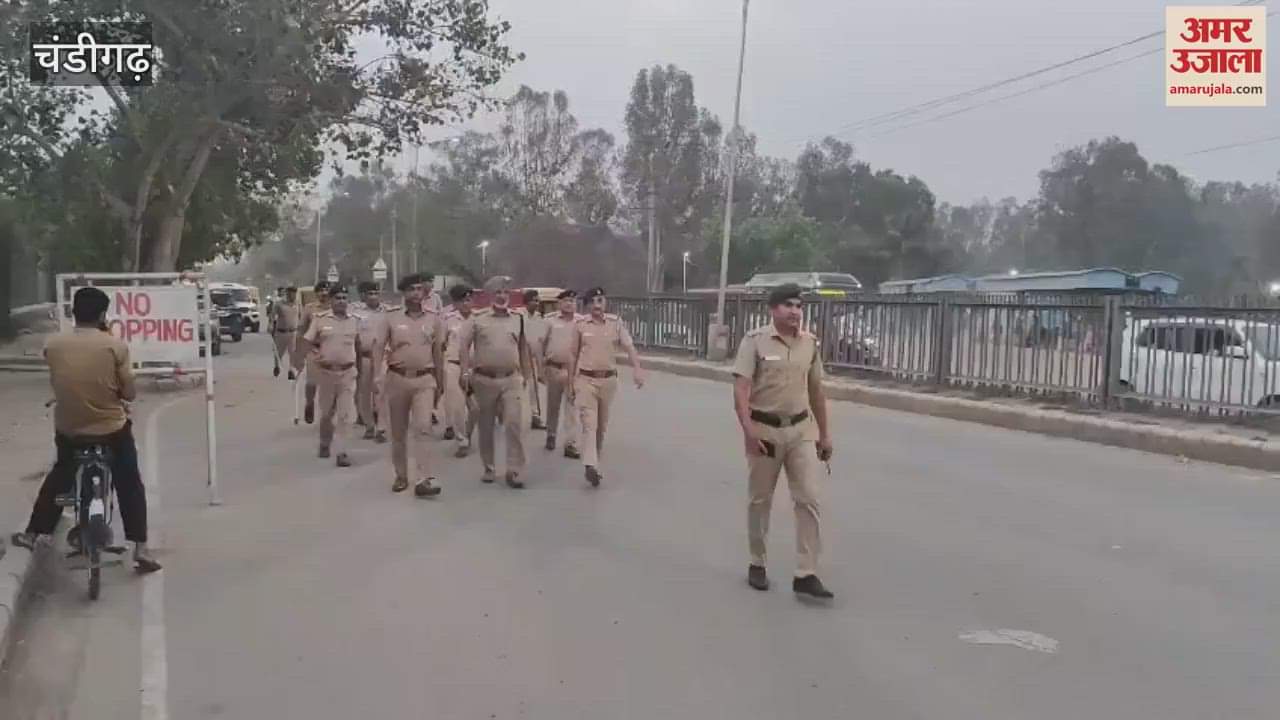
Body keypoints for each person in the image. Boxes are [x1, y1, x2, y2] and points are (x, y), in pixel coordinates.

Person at [10, 287, 161, 573]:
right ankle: (141, 547)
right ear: (104, 314)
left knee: (61, 474)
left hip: (70, 429)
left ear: (73, 313)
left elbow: (63, 379)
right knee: (129, 481)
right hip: (111, 429)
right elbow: (129, 393)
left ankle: (32, 534)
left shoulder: (53, 345)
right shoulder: (115, 346)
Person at [732, 283, 835, 600]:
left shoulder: (810, 344)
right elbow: (741, 391)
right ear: (773, 309)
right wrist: (749, 433)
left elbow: (817, 391)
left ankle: (806, 572)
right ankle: (757, 562)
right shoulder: (755, 342)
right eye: (788, 305)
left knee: (809, 499)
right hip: (765, 431)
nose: (795, 311)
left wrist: (825, 434)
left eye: (799, 306)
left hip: (801, 431)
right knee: (760, 500)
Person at [373, 274, 445, 497]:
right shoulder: (391, 318)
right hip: (397, 378)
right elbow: (378, 346)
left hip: (424, 379)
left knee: (424, 427)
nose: (416, 293)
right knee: (398, 431)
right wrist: (377, 375)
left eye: (419, 289)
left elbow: (438, 351)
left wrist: (440, 381)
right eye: (411, 289)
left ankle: (424, 478)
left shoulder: (434, 319)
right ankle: (401, 475)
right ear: (403, 293)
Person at [459, 276, 534, 489]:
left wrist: (526, 376)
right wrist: (465, 373)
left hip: (511, 378)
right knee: (486, 426)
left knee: (513, 423)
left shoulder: (518, 319)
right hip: (484, 379)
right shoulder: (477, 319)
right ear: (490, 296)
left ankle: (514, 470)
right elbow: (464, 346)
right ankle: (489, 467)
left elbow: (523, 348)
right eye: (498, 292)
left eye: (505, 292)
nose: (502, 296)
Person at [568, 287, 646, 487]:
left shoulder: (615, 324)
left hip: (608, 381)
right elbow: (572, 356)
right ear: (587, 306)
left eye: (600, 300)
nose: (597, 305)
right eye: (593, 301)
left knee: (601, 427)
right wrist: (571, 383)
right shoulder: (580, 325)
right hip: (586, 380)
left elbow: (629, 347)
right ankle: (590, 464)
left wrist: (637, 369)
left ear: (605, 303)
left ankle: (594, 462)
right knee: (589, 424)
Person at [302, 284, 359, 467]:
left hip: (348, 373)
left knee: (344, 414)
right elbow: (307, 340)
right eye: (338, 298)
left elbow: (358, 345)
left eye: (344, 298)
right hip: (327, 373)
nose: (341, 301)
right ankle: (325, 442)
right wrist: (315, 355)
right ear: (331, 301)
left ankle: (342, 451)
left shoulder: (355, 321)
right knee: (327, 413)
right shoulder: (320, 320)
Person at [541, 289, 582, 458]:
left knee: (572, 404)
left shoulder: (581, 322)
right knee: (553, 404)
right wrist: (541, 367)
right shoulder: (549, 321)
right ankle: (551, 434)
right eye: (565, 301)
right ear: (559, 303)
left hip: (573, 370)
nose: (569, 304)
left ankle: (570, 443)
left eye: (572, 301)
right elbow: (540, 344)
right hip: (553, 367)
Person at [442, 284, 480, 458]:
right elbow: (440, 344)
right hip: (453, 365)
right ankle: (462, 440)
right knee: (457, 406)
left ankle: (468, 434)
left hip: (474, 368)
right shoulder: (447, 319)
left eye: (469, 299)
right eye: (463, 300)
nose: (467, 303)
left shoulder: (479, 319)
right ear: (455, 303)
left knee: (476, 408)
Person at [354, 281, 392, 443]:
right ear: (362, 295)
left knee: (381, 392)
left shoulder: (388, 312)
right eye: (370, 294)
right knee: (363, 393)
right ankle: (369, 425)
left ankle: (381, 428)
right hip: (363, 357)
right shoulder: (355, 312)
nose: (374, 297)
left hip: (383, 357)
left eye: (376, 293)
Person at [298, 281, 333, 424]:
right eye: (321, 290)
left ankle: (327, 413)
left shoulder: (336, 308)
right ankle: (309, 403)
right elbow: (301, 329)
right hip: (314, 349)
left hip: (332, 349)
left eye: (327, 290)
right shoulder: (309, 308)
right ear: (316, 293)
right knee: (312, 382)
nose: (324, 293)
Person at [519, 289, 548, 431]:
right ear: (527, 301)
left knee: (533, 388)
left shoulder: (539, 318)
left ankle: (535, 416)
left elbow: (540, 342)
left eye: (538, 301)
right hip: (518, 358)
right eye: (534, 300)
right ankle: (507, 414)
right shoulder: (518, 316)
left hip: (533, 358)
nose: (537, 303)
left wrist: (541, 365)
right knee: (517, 388)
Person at [271, 286, 302, 380]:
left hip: (293, 332)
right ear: (287, 294)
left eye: (294, 293)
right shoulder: (279, 304)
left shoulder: (298, 304)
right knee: (278, 353)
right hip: (281, 332)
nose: (292, 295)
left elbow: (301, 316)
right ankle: (277, 366)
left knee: (293, 352)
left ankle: (291, 371)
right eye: (290, 293)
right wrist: (270, 325)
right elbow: (272, 315)